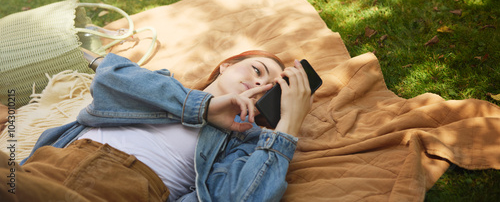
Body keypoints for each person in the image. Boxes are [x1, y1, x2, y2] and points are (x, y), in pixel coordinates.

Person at [1, 50, 313, 202]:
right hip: (45, 168)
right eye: (257, 69)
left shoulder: (241, 142)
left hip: (118, 190)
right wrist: (202, 108)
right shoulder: (160, 85)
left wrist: (289, 126)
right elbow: (110, 75)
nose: (259, 82)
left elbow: (242, 198)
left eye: (270, 88)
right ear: (226, 65)